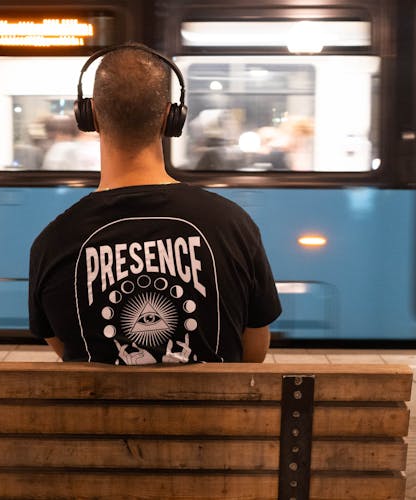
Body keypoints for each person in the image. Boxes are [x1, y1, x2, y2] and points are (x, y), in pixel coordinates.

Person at [28, 43, 281, 364]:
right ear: (171, 117)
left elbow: (67, 351)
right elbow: (254, 351)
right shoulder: (233, 224)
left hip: (101, 415)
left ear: (89, 115)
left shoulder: (52, 242)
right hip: (216, 415)